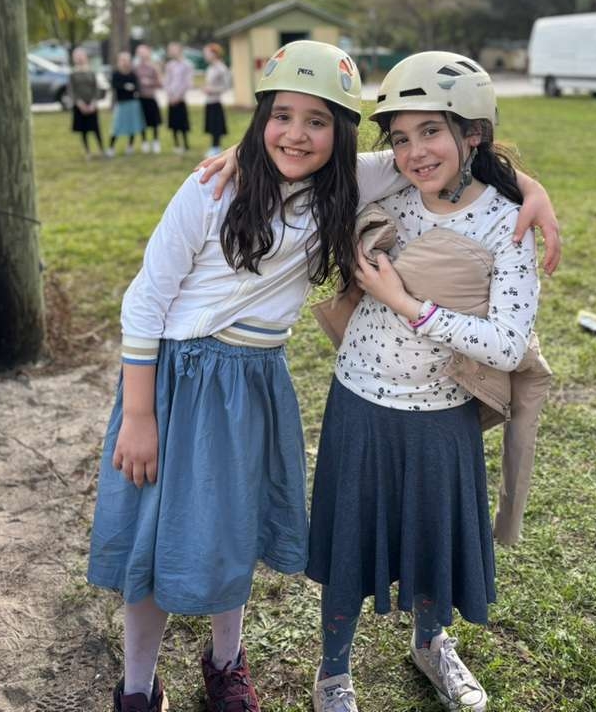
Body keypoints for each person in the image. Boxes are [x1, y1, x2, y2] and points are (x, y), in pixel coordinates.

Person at [87, 40, 415, 712]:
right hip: (179, 384)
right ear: (260, 117)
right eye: (281, 116)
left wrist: (526, 189)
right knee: (156, 537)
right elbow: (144, 302)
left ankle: (226, 663)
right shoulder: (212, 188)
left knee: (231, 525)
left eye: (317, 121)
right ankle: (138, 686)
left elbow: (424, 160)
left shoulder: (345, 185)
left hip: (255, 383)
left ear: (342, 133)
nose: (296, 134)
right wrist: (140, 417)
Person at [301, 53, 540, 712]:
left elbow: (507, 343)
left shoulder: (509, 222)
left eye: (431, 131)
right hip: (359, 400)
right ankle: (332, 673)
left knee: (434, 540)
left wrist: (408, 305)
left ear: (473, 133)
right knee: (350, 547)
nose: (414, 153)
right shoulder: (389, 198)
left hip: (443, 410)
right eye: (400, 138)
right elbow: (311, 169)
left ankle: (431, 644)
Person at [107, 51, 145, 157]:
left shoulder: (132, 74)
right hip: (121, 103)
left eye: (127, 60)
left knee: (131, 126)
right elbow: (114, 85)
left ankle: (130, 146)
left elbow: (137, 87)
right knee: (116, 127)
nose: (125, 63)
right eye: (123, 60)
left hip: (132, 103)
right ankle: (111, 147)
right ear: (119, 61)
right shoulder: (116, 74)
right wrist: (125, 86)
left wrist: (132, 88)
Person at [68, 47, 104, 158]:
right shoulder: (73, 73)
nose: (80, 58)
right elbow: (71, 91)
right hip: (80, 105)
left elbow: (96, 88)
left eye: (81, 56)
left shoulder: (91, 72)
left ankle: (101, 149)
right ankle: (88, 151)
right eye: (77, 56)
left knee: (95, 128)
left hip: (92, 104)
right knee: (83, 129)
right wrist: (79, 103)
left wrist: (94, 102)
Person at [203, 42, 232, 156]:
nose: (205, 55)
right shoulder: (210, 68)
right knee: (211, 125)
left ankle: (216, 147)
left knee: (216, 126)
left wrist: (212, 90)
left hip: (216, 101)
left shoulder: (221, 68)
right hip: (209, 101)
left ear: (214, 54)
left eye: (207, 53)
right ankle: (213, 146)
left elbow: (226, 86)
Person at [164, 42, 193, 153]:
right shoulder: (169, 65)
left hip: (180, 99)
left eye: (173, 49)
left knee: (182, 122)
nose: (171, 52)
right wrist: (170, 95)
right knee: (173, 122)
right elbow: (167, 81)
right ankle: (176, 144)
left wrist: (179, 96)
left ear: (179, 50)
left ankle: (186, 145)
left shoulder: (187, 65)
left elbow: (188, 82)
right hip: (171, 98)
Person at [134, 45, 163, 154]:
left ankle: (156, 142)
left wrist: (149, 82)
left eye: (143, 52)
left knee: (154, 122)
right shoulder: (136, 68)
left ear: (148, 53)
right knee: (142, 121)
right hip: (140, 98)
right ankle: (144, 142)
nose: (141, 55)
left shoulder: (154, 67)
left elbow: (160, 83)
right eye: (139, 52)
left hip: (151, 98)